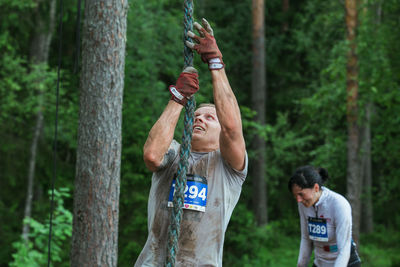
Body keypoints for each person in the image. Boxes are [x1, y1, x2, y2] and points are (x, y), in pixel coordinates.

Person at [134, 18, 247, 267]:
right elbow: (152, 155)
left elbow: (231, 128)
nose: (200, 120)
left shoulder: (229, 167)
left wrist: (216, 64)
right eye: (196, 116)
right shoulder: (174, 153)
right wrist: (178, 98)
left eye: (209, 117)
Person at [288, 166, 361, 267]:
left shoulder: (339, 204)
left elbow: (344, 249)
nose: (298, 200)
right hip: (320, 262)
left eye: (301, 194)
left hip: (345, 261)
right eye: (295, 196)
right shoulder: (303, 204)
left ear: (316, 188)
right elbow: (306, 238)